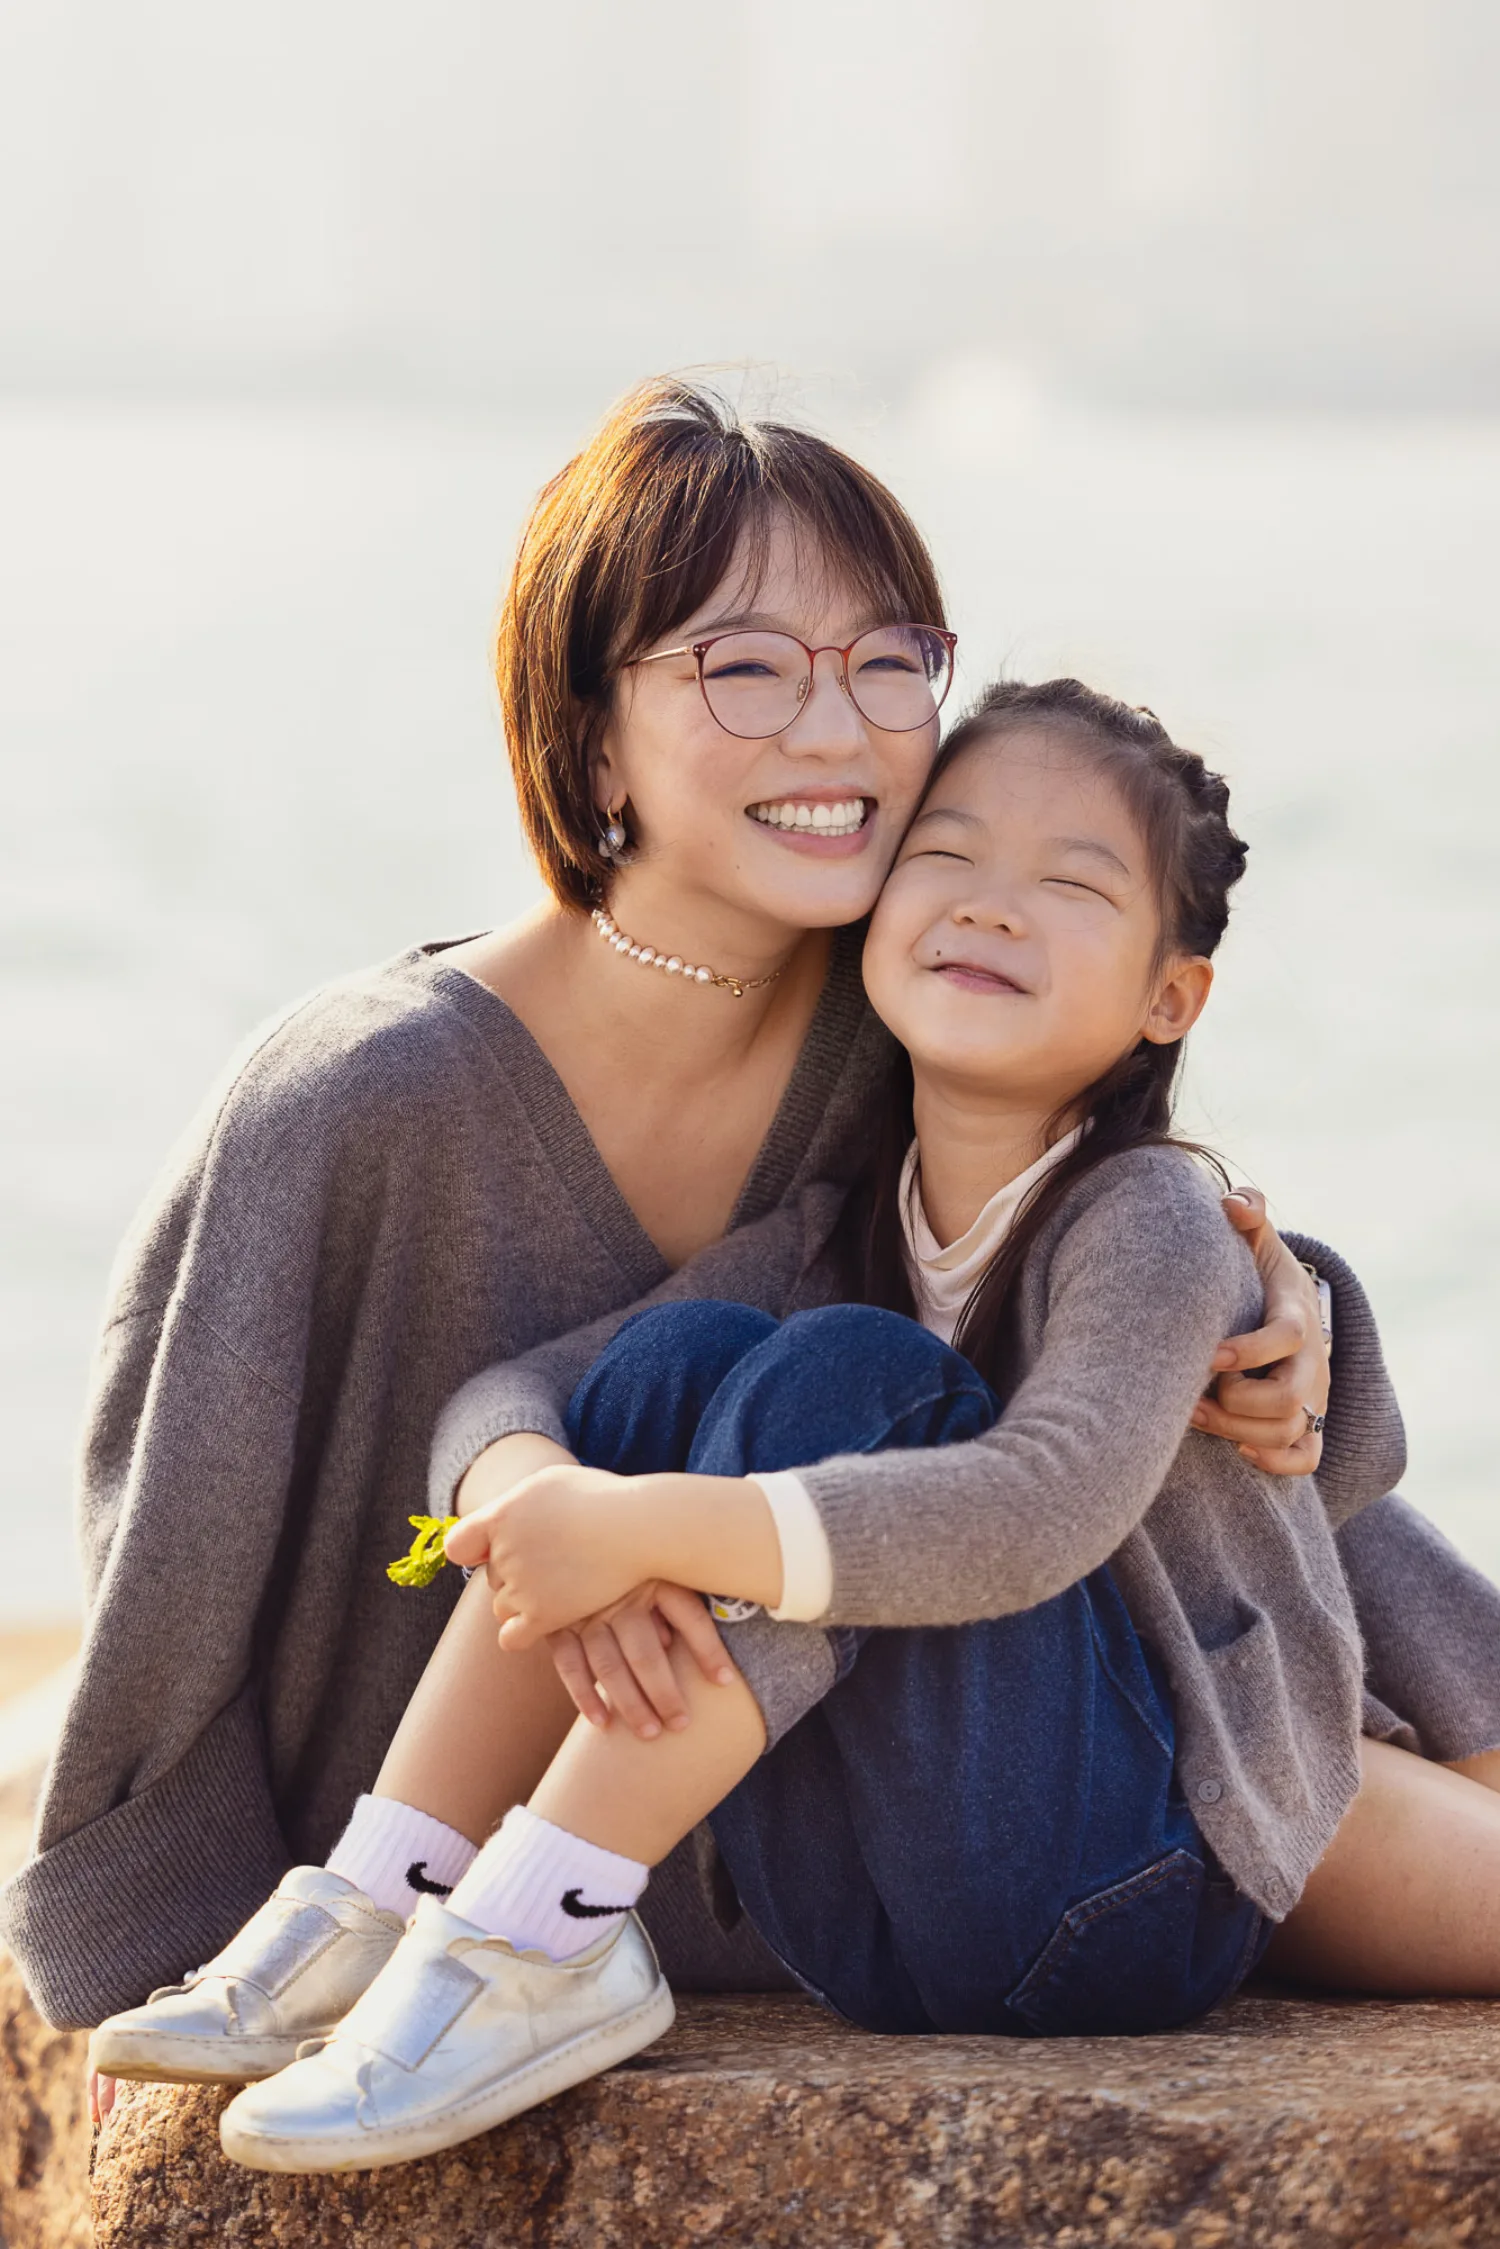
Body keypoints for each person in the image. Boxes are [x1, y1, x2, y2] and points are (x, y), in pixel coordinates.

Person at [6, 379, 1466, 2105]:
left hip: (931, 1794)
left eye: (885, 664)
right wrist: (541, 1521)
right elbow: (177, 1576)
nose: (838, 733)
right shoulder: (356, 1100)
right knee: (741, 1369)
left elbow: (1125, 1396)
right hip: (566, 1864)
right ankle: (434, 1913)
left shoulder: (907, 1024)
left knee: (847, 1388)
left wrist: (1308, 1343)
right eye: (747, 667)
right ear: (590, 724)